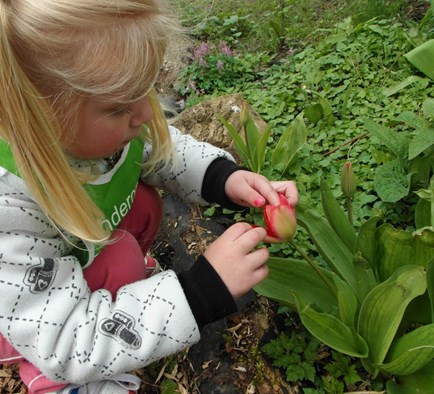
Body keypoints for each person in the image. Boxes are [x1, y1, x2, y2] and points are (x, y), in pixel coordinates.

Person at [0, 1, 299, 393]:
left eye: (149, 88)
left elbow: (161, 152)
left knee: (142, 206)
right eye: (122, 105)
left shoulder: (102, 128)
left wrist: (225, 179)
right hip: (37, 316)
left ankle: (115, 291)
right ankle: (52, 380)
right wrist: (197, 293)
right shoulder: (11, 201)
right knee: (110, 276)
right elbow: (64, 339)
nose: (145, 112)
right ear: (38, 115)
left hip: (73, 254)